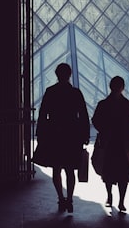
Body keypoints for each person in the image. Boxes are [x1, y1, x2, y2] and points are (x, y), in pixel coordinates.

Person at [34, 63, 89, 213]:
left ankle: (61, 198)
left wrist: (40, 133)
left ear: (57, 75)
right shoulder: (76, 93)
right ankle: (70, 198)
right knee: (70, 170)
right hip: (72, 134)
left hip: (54, 134)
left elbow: (43, 114)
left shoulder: (50, 92)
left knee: (56, 168)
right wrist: (85, 134)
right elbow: (83, 115)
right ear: (70, 74)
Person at [91, 76, 129, 213]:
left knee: (108, 172)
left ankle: (110, 196)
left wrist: (104, 130)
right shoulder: (127, 105)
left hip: (108, 143)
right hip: (123, 144)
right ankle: (121, 201)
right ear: (122, 87)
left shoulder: (103, 104)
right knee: (123, 174)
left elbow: (95, 120)